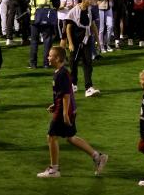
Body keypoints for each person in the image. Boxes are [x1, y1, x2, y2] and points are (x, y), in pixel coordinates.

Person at [37, 46, 109, 178]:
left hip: (64, 110)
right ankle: (97, 156)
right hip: (66, 108)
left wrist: (64, 113)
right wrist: (55, 104)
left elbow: (66, 95)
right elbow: (65, 93)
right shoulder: (60, 72)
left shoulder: (62, 74)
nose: (48, 57)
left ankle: (54, 169)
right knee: (70, 138)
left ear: (58, 58)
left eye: (50, 55)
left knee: (51, 136)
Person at [65, 0, 101, 97]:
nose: (91, 1)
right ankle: (73, 83)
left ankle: (88, 87)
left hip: (87, 40)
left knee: (88, 63)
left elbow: (93, 25)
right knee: (73, 63)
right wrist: (70, 43)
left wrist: (98, 41)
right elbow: (68, 28)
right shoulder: (73, 12)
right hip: (75, 41)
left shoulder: (90, 11)